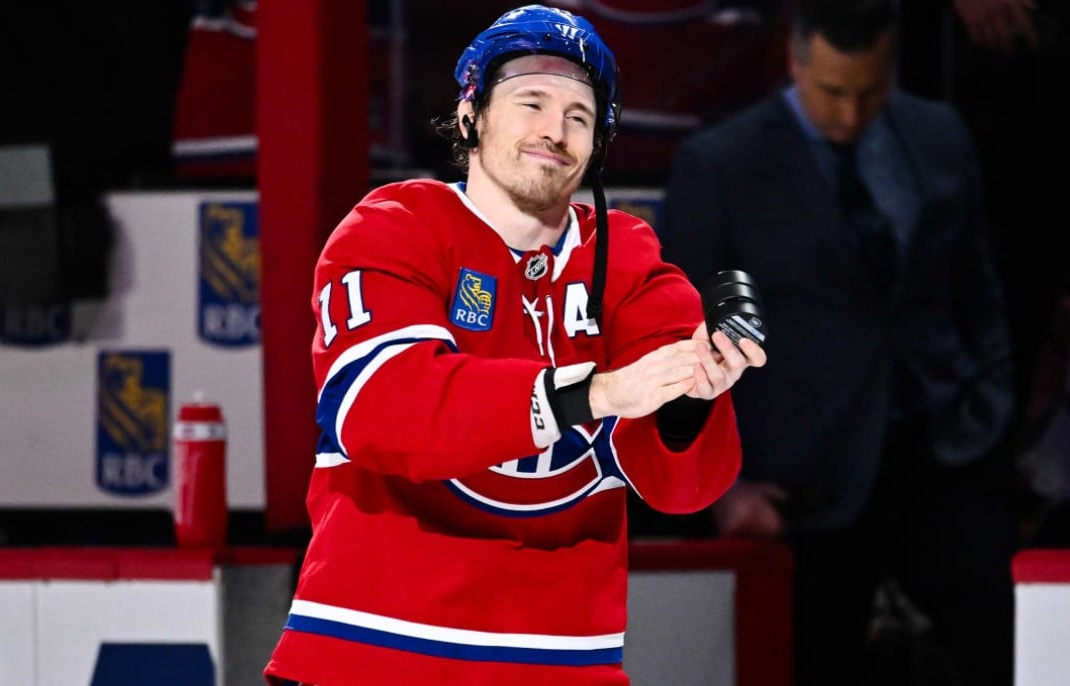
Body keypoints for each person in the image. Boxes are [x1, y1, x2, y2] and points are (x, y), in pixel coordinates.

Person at [263, 5, 766, 685]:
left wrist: (694, 391)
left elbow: (685, 487)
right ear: (471, 114)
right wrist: (594, 393)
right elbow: (386, 410)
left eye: (580, 116)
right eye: (532, 102)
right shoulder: (393, 228)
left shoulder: (628, 260)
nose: (555, 130)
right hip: (374, 652)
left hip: (562, 663)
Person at [658, 1, 1017, 685]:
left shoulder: (938, 134)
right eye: (832, 92)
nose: (850, 115)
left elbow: (978, 289)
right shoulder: (723, 163)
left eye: (870, 93)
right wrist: (722, 487)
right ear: (795, 64)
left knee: (1005, 642)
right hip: (802, 480)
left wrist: (992, 404)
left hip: (942, 450)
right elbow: (677, 336)